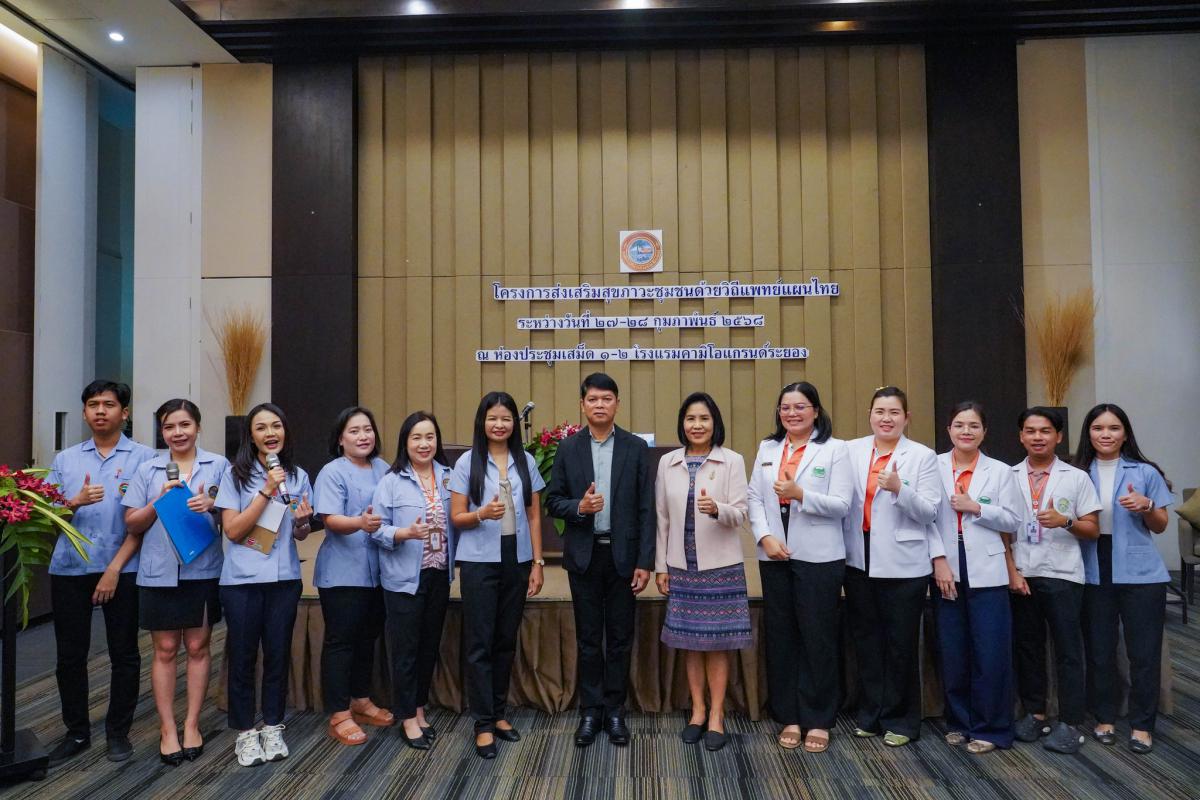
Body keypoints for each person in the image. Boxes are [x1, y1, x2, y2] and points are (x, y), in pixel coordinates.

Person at [45, 380, 155, 766]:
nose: (100, 411)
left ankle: (117, 733)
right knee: (69, 656)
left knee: (124, 653)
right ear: (84, 412)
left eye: (109, 404)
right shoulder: (65, 460)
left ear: (125, 413)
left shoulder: (145, 458)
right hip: (70, 567)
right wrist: (73, 502)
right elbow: (47, 519)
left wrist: (113, 570)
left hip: (122, 567)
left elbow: (143, 522)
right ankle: (76, 732)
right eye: (93, 405)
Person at [545, 373, 655, 748]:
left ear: (617, 404)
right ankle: (591, 711)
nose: (600, 405)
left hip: (623, 557)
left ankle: (615, 710)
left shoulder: (635, 448)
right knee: (589, 639)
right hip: (585, 556)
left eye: (607, 399)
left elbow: (646, 509)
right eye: (593, 399)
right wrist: (580, 507)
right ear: (582, 405)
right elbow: (553, 501)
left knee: (620, 639)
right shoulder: (568, 448)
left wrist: (645, 561)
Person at [841, 386, 952, 747]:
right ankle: (871, 715)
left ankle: (902, 720)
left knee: (900, 644)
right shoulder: (851, 450)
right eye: (880, 412)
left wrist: (900, 489)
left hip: (904, 564)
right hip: (859, 559)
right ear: (869, 415)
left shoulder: (922, 456)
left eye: (894, 412)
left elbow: (930, 512)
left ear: (906, 418)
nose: (886, 419)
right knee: (868, 642)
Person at [746, 381, 852, 754]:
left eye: (800, 406)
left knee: (817, 637)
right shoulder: (768, 448)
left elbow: (842, 504)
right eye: (785, 407)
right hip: (775, 554)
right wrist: (764, 537)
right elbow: (754, 497)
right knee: (782, 635)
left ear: (816, 411)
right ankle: (788, 715)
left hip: (819, 557)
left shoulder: (835, 450)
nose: (792, 413)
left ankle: (819, 718)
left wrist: (801, 494)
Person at [122, 399, 227, 765]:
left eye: (185, 425)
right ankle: (168, 728)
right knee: (165, 649)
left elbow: (235, 516)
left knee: (198, 646)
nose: (178, 433)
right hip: (159, 571)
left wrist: (212, 506)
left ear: (198, 427)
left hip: (203, 569)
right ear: (162, 431)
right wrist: (158, 501)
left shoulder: (219, 466)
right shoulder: (147, 468)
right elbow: (132, 523)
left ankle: (192, 724)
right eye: (169, 427)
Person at [214, 402, 314, 768]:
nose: (270, 433)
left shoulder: (298, 476)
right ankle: (245, 731)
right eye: (261, 427)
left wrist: (303, 522)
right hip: (242, 581)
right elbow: (233, 530)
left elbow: (300, 533)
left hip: (284, 579)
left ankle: (272, 725)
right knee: (242, 658)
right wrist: (266, 491)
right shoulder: (234, 476)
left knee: (277, 655)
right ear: (251, 436)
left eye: (276, 426)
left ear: (285, 431)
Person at [449, 392, 546, 759]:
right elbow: (457, 517)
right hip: (479, 560)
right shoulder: (467, 462)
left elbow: (534, 515)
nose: (500, 424)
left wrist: (537, 563)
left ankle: (499, 712)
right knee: (480, 643)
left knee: (505, 639)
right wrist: (481, 515)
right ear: (482, 422)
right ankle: (483, 723)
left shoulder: (526, 460)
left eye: (506, 418)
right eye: (493, 418)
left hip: (516, 558)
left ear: (513, 424)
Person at [654, 392, 751, 752]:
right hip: (681, 565)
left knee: (717, 644)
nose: (697, 425)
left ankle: (716, 716)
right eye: (691, 419)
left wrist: (717, 509)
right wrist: (661, 566)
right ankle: (697, 711)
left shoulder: (732, 461)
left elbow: (741, 513)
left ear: (715, 423)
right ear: (682, 423)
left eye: (704, 419)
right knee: (690, 643)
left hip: (720, 566)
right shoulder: (668, 462)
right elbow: (662, 518)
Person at [1075, 403, 1173, 754]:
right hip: (1093, 565)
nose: (1106, 434)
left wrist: (1147, 506)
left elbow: (1161, 526)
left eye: (1114, 428)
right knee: (1100, 650)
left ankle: (1142, 725)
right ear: (1088, 433)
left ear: (1125, 433)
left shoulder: (1145, 472)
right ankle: (1104, 717)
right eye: (1098, 428)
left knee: (1143, 653)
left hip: (1140, 571)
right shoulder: (1076, 472)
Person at [931, 402, 1023, 754]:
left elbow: (1013, 520)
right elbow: (925, 518)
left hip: (987, 569)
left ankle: (992, 728)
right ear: (948, 430)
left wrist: (978, 508)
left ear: (984, 432)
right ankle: (959, 721)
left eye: (973, 426)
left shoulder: (1000, 471)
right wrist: (938, 559)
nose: (966, 431)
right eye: (959, 425)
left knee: (990, 651)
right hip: (946, 566)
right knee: (953, 650)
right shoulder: (932, 465)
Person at [1009, 406, 1101, 754]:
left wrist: (1065, 521)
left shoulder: (1076, 477)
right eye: (1031, 431)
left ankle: (1070, 721)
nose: (1038, 437)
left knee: (1067, 650)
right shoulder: (1008, 475)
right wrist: (1011, 570)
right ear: (1021, 436)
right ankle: (1035, 713)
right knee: (1028, 647)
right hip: (1023, 572)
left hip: (1063, 573)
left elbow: (1092, 529)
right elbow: (1003, 528)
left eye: (1045, 431)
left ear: (1058, 436)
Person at [372, 411, 457, 751]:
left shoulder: (449, 476)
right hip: (404, 578)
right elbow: (376, 529)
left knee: (428, 645)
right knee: (405, 650)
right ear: (405, 443)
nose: (424, 444)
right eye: (416, 437)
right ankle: (407, 716)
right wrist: (403, 533)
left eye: (430, 437)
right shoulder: (391, 481)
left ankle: (419, 707)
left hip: (439, 573)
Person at [312, 406, 393, 747]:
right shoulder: (332, 472)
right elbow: (329, 520)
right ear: (340, 439)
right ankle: (339, 713)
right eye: (354, 431)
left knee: (366, 638)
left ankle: (360, 699)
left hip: (379, 571)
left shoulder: (384, 468)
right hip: (343, 572)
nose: (363, 436)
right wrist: (360, 522)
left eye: (368, 429)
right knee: (341, 641)